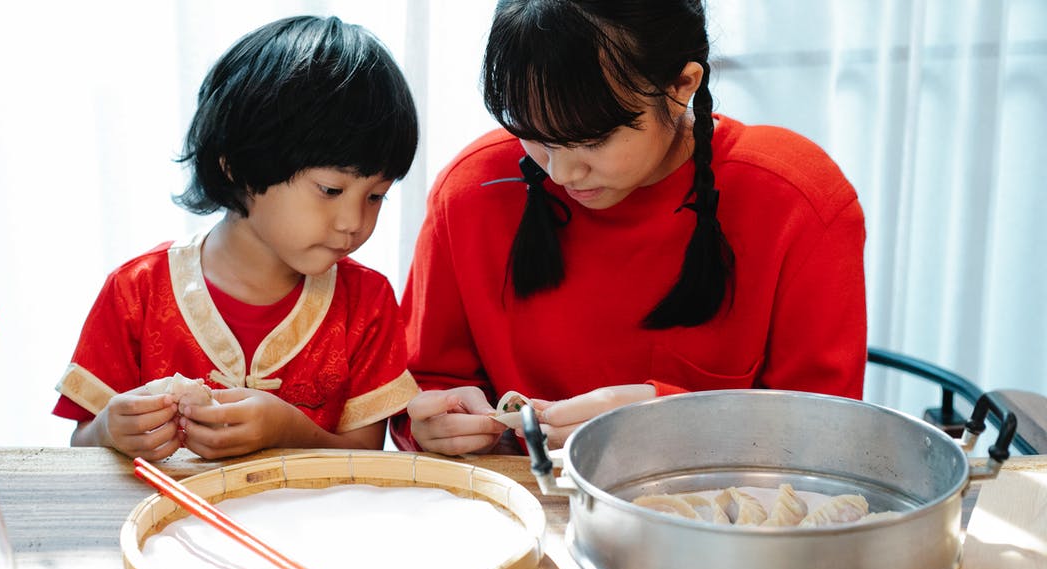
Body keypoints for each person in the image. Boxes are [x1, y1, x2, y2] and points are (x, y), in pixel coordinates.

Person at [393, 0, 866, 455]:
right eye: (535, 134)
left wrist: (677, 424)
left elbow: (824, 441)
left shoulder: (796, 201)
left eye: (593, 140)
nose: (560, 174)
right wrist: (433, 422)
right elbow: (420, 389)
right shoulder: (474, 191)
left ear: (682, 84)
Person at [53, 15, 420, 461]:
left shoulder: (368, 302)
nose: (353, 222)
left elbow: (365, 458)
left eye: (376, 196)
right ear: (237, 165)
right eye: (331, 190)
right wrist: (110, 428)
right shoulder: (136, 292)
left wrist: (288, 429)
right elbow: (80, 447)